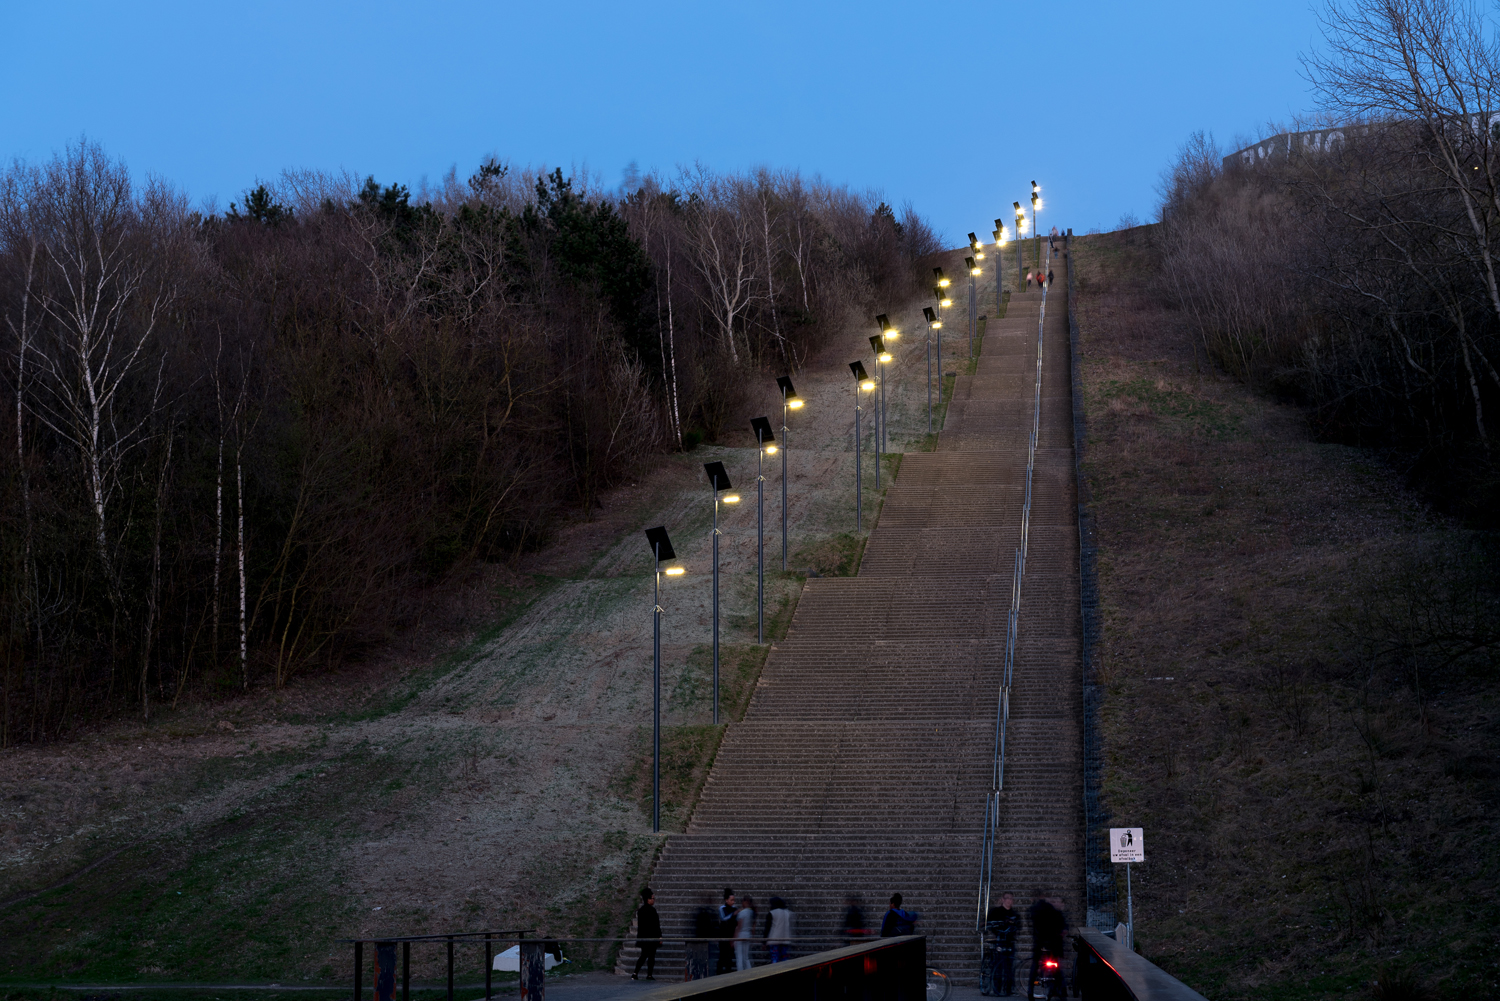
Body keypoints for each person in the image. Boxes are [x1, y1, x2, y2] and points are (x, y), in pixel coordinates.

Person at [1027, 890, 1068, 998]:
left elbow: (1032, 925)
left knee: (1036, 964)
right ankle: (1061, 991)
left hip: (1040, 942)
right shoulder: (1053, 911)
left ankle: (1030, 990)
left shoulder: (1034, 909)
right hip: (1052, 943)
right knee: (1057, 967)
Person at [984, 892, 1022, 996]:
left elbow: (1019, 926)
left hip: (1010, 941)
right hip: (999, 940)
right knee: (998, 964)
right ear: (1003, 899)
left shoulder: (1014, 914)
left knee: (1010, 966)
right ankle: (997, 988)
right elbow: (988, 923)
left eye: (1011, 899)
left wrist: (1015, 933)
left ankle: (1008, 989)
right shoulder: (996, 911)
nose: (1009, 900)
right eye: (1007, 898)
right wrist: (994, 932)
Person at [632, 887, 661, 981]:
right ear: (649, 899)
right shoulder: (652, 911)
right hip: (652, 937)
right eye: (653, 898)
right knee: (651, 956)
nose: (654, 900)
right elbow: (656, 925)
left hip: (644, 937)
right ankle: (649, 975)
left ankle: (635, 973)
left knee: (643, 955)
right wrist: (659, 936)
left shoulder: (641, 911)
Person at [764, 896, 794, 963]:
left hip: (774, 940)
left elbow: (767, 928)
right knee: (784, 961)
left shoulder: (772, 913)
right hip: (786, 940)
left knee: (775, 959)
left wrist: (764, 941)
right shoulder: (789, 913)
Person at [734, 894, 757, 971]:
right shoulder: (752, 912)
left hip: (741, 935)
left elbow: (739, 927)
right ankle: (749, 972)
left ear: (745, 902)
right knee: (746, 957)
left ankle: (740, 973)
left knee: (739, 957)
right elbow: (753, 928)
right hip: (748, 934)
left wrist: (734, 938)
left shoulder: (742, 913)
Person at [716, 888, 737, 975]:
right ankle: (719, 973)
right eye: (731, 900)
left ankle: (728, 974)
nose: (733, 902)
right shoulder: (722, 908)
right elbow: (723, 918)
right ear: (726, 900)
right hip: (724, 935)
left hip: (731, 935)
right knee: (722, 956)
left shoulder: (734, 909)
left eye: (733, 900)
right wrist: (733, 914)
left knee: (729, 957)